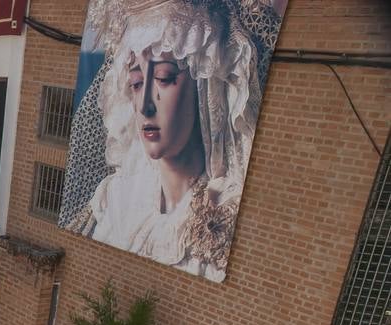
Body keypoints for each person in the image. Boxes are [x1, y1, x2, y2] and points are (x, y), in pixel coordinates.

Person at [66, 0, 271, 281]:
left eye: (164, 77)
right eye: (136, 83)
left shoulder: (224, 212)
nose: (145, 106)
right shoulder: (116, 200)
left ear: (206, 89)